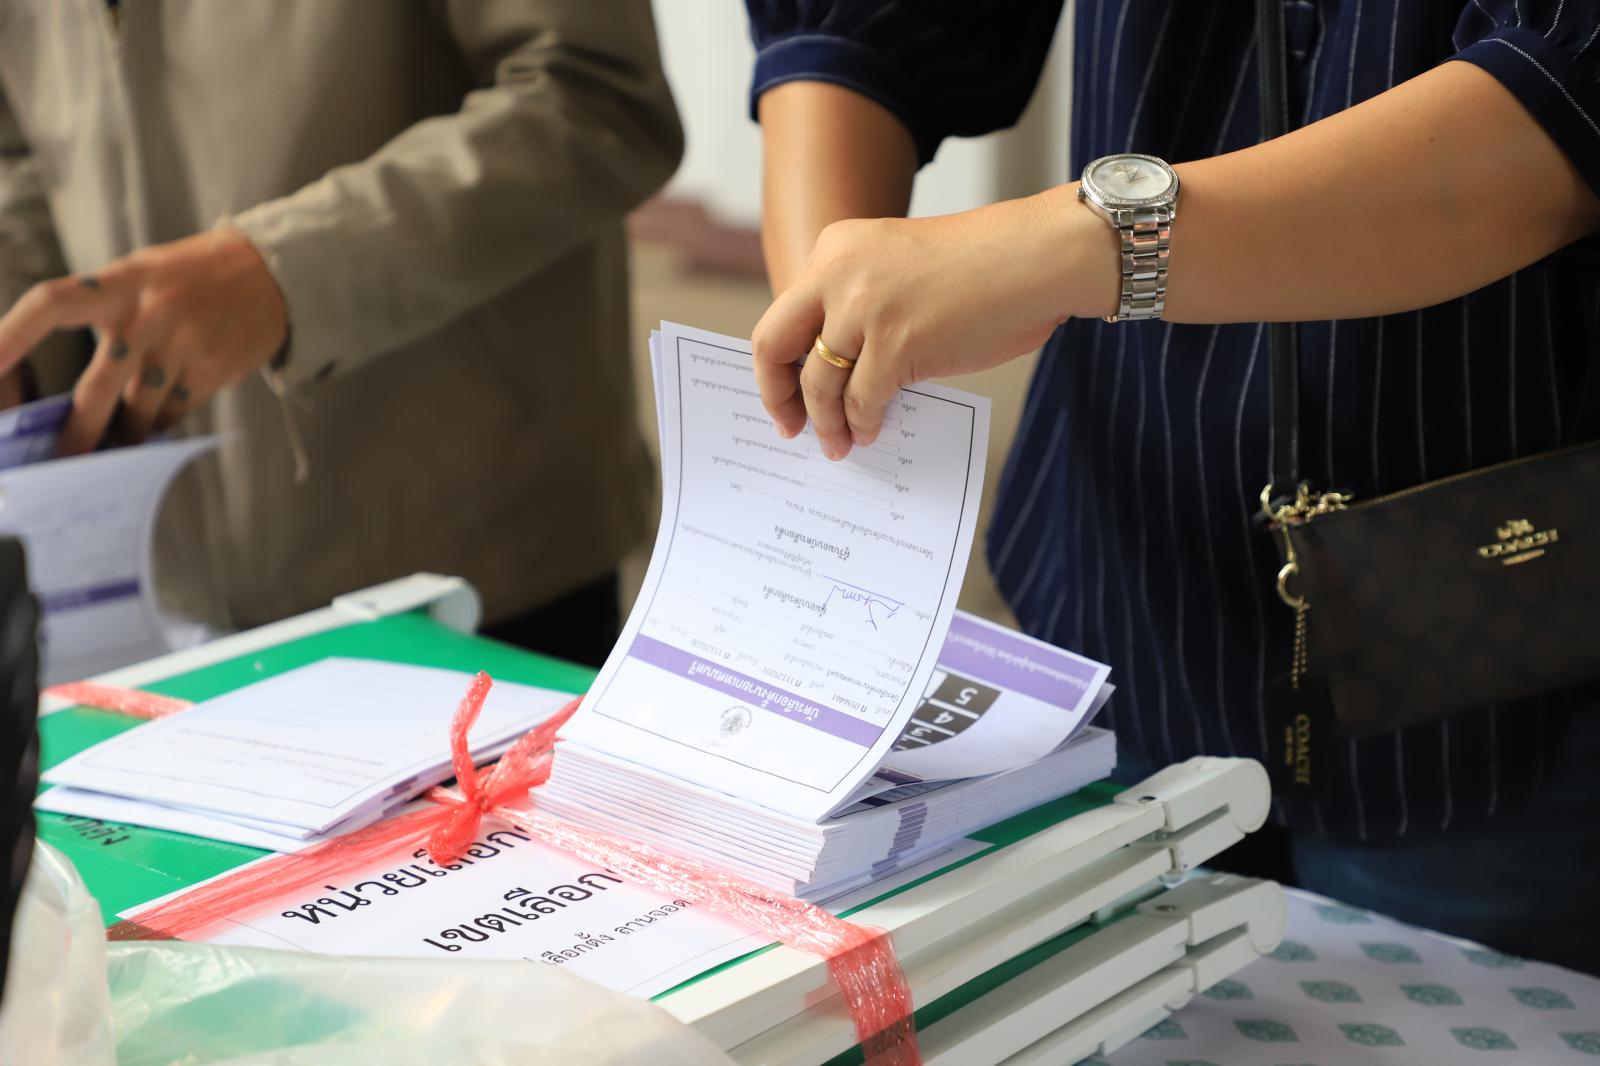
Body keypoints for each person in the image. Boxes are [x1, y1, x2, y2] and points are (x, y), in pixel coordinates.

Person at [743, 0, 1600, 975]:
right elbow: (857, 27)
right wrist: (831, 320)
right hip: (1116, 571)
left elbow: (1564, 98)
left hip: (1508, 631)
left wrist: (1062, 248)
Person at [0, 1, 683, 668]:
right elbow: (29, 154)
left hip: (473, 571)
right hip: (146, 601)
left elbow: (599, 97)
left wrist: (287, 269)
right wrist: (17, 338)